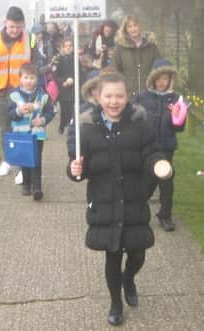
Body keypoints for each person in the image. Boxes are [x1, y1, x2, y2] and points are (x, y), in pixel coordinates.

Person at [68, 72, 172, 327]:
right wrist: (75, 171)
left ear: (128, 97)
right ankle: (116, 302)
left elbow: (152, 151)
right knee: (112, 255)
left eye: (120, 96)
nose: (114, 101)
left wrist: (158, 163)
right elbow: (78, 167)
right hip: (104, 201)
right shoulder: (86, 128)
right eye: (108, 96)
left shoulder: (140, 124)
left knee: (138, 253)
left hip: (134, 199)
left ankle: (129, 279)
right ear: (98, 96)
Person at [135, 59, 186, 231]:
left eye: (165, 78)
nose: (161, 82)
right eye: (158, 78)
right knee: (148, 181)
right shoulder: (142, 97)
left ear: (170, 79)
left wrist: (177, 117)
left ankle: (165, 215)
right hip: (147, 147)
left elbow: (179, 127)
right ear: (153, 79)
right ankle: (137, 209)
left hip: (166, 147)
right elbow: (134, 120)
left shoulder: (176, 99)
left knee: (166, 181)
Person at [0, 6, 31, 176]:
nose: (15, 31)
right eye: (12, 27)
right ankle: (7, 160)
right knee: (4, 129)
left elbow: (36, 63)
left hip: (21, 92)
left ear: (23, 25)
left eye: (18, 27)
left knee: (20, 128)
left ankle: (21, 166)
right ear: (5, 23)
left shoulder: (28, 39)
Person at [8, 63, 55, 200]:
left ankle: (37, 188)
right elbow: (9, 114)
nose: (29, 81)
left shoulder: (43, 95)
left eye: (32, 78)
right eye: (26, 77)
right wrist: (18, 111)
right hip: (21, 134)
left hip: (37, 134)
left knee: (36, 159)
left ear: (37, 79)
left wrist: (43, 120)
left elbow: (51, 111)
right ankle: (26, 184)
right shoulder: (14, 95)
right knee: (24, 160)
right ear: (20, 79)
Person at [114, 16, 161, 98]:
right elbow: (115, 69)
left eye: (135, 25)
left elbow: (159, 68)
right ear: (126, 30)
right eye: (129, 27)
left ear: (140, 26)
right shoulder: (120, 48)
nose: (133, 29)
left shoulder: (151, 46)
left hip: (149, 93)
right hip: (128, 94)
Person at [53, 37, 75, 134]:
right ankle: (62, 124)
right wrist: (63, 82)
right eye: (66, 46)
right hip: (63, 90)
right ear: (62, 48)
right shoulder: (59, 60)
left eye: (70, 46)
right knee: (64, 110)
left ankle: (70, 127)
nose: (68, 48)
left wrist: (74, 80)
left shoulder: (76, 59)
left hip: (73, 89)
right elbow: (56, 75)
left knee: (72, 110)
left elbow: (79, 73)